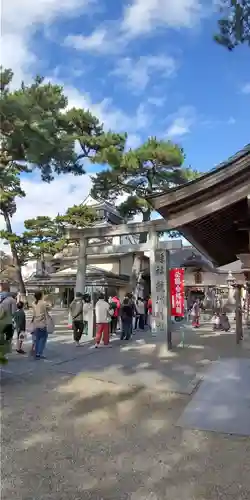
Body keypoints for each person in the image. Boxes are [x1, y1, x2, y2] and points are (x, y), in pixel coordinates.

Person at [31, 291, 49, 359]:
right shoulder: (43, 303)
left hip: (36, 323)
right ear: (41, 295)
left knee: (37, 339)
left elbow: (33, 313)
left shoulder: (33, 303)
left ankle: (37, 352)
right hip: (42, 323)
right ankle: (40, 353)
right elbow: (49, 308)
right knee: (43, 339)